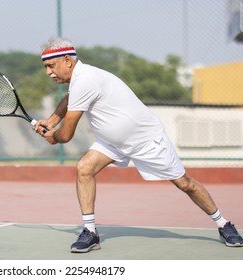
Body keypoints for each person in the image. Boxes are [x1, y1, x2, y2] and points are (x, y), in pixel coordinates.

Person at [33, 37, 243, 253]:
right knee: (84, 168)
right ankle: (90, 232)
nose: (49, 72)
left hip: (146, 140)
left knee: (185, 184)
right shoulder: (80, 78)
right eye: (46, 67)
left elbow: (66, 136)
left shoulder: (86, 79)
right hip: (113, 142)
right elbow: (70, 99)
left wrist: (54, 136)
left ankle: (224, 224)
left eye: (51, 66)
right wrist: (51, 121)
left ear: (67, 60)